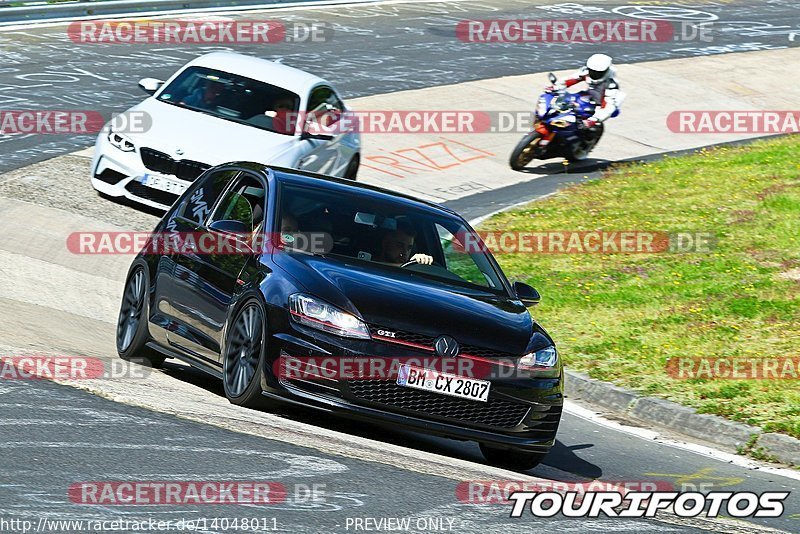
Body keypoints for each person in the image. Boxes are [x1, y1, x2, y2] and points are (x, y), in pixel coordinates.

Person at [547, 53, 626, 131]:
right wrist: (555, 87)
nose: (594, 74)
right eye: (592, 71)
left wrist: (593, 120)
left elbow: (608, 106)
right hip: (589, 94)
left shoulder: (611, 84)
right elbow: (571, 79)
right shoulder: (586, 71)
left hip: (600, 103)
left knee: (584, 120)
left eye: (598, 72)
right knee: (566, 102)